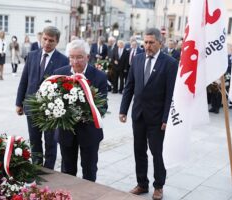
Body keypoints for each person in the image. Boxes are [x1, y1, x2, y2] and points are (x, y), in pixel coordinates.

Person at [119, 28, 178, 200]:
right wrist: (123, 109)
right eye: (145, 42)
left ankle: (158, 186)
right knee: (139, 150)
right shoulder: (137, 59)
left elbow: (170, 94)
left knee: (157, 152)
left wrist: (166, 118)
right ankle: (142, 184)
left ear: (160, 42)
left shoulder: (170, 63)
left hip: (157, 118)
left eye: (151, 42)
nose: (147, 46)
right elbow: (129, 86)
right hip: (138, 115)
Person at [53, 39, 108, 182]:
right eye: (72, 57)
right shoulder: (59, 73)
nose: (75, 61)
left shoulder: (99, 76)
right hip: (66, 132)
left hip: (89, 132)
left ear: (88, 57)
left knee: (89, 170)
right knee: (67, 171)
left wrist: (82, 114)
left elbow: (102, 107)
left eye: (79, 57)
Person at [16, 26, 69, 169]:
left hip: (51, 110)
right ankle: (37, 167)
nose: (47, 43)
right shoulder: (32, 55)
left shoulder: (63, 60)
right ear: (41, 38)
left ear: (57, 42)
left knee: (50, 141)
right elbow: (24, 80)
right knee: (34, 140)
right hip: (31, 106)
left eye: (51, 40)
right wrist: (19, 102)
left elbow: (65, 87)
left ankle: (49, 169)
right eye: (44, 39)